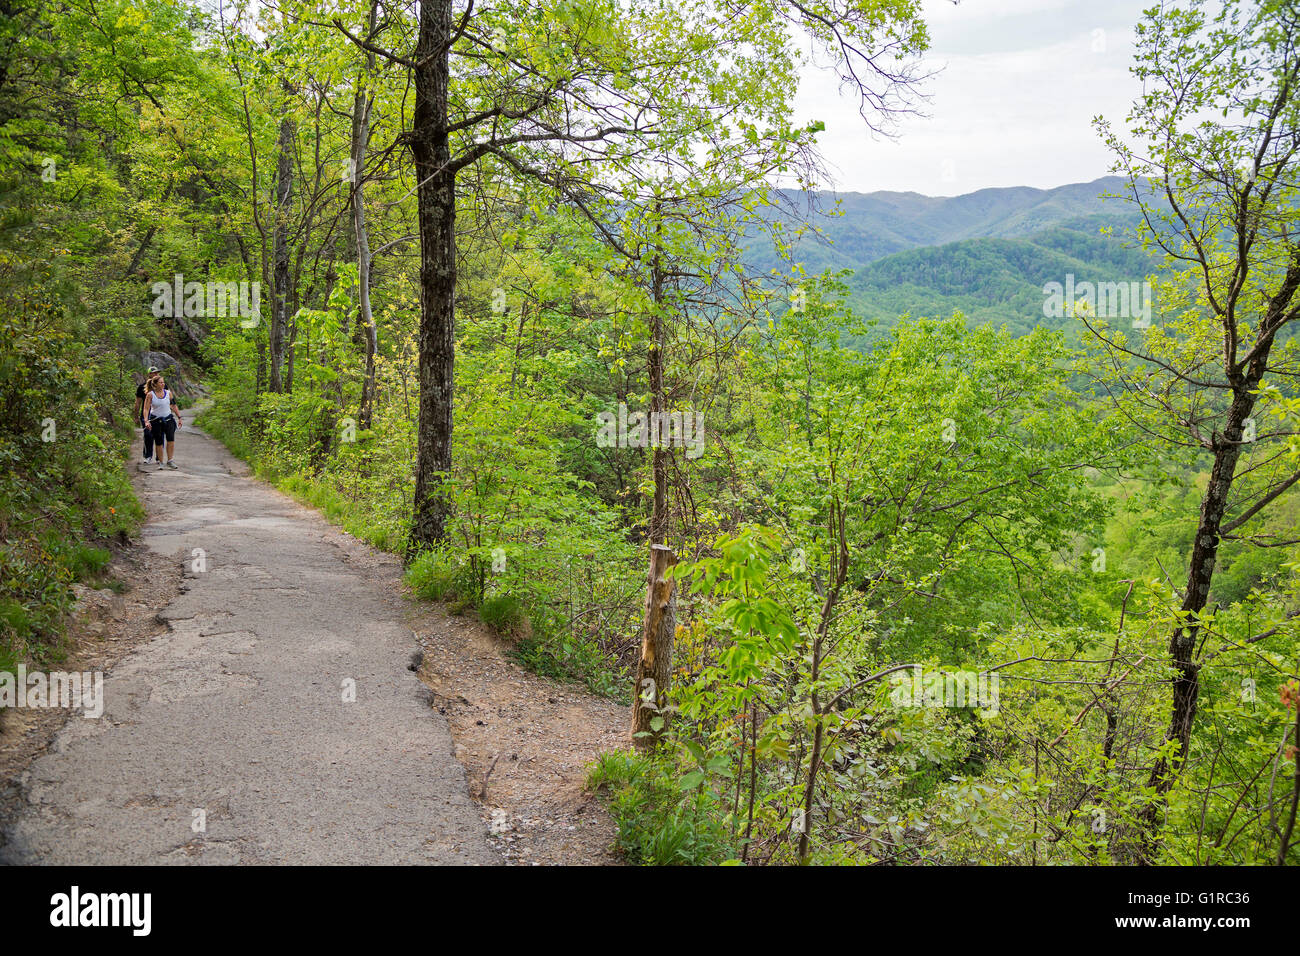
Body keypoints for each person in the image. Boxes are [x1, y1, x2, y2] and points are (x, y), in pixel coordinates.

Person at [143, 374, 183, 470]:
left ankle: (170, 461)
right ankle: (161, 462)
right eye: (160, 382)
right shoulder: (150, 395)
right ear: (155, 384)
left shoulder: (168, 393)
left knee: (170, 440)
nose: (163, 384)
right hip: (156, 420)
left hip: (168, 419)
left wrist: (179, 417)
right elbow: (146, 409)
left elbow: (173, 405)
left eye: (163, 382)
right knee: (159, 442)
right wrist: (146, 421)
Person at [133, 366, 160, 463]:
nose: (156, 374)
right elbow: (138, 403)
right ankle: (148, 456)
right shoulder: (142, 387)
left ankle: (159, 458)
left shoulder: (162, 386)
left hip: (159, 414)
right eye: (154, 373)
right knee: (148, 435)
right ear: (149, 374)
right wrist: (135, 416)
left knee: (159, 436)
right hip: (146, 415)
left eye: (157, 373)